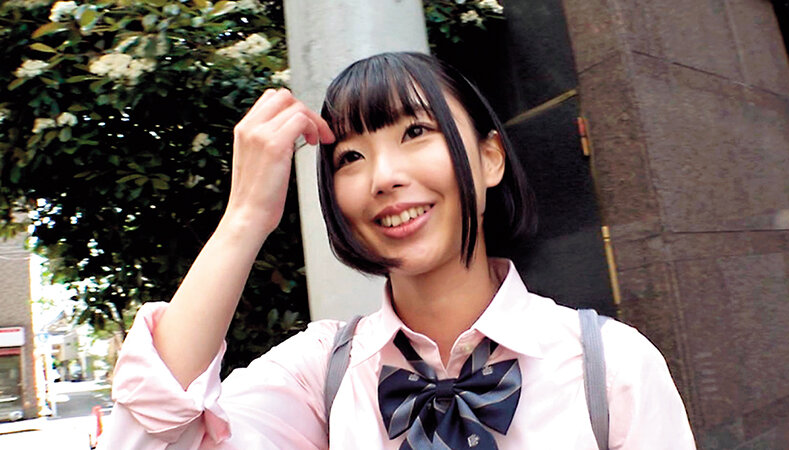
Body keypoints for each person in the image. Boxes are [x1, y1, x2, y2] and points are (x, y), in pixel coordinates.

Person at [99, 52, 695, 449]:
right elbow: (151, 439)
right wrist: (244, 218)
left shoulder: (611, 365)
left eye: (415, 132)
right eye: (350, 157)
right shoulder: (320, 374)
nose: (383, 177)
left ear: (489, 158)